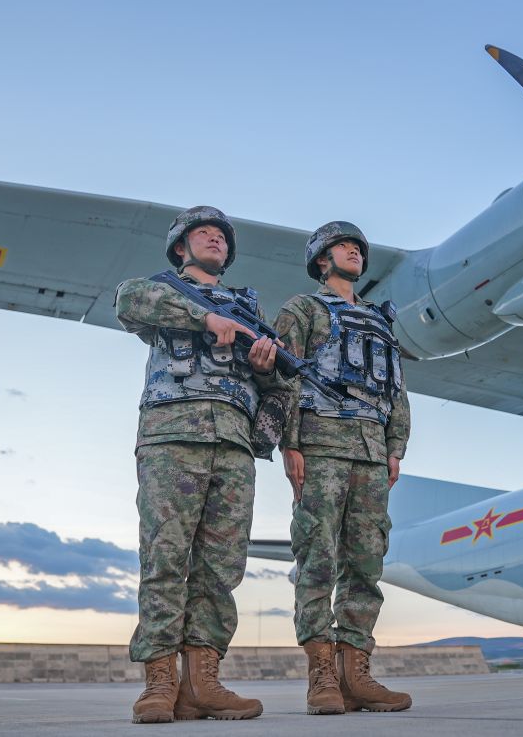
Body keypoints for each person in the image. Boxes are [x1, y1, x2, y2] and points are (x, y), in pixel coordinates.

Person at [116, 205, 283, 723]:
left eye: (221, 236)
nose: (215, 239)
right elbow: (128, 300)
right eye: (203, 233)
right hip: (172, 435)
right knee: (165, 556)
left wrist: (265, 368)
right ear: (180, 247)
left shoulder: (249, 311)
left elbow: (277, 385)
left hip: (233, 444)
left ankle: (202, 683)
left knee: (221, 568)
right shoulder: (163, 291)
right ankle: (159, 684)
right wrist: (205, 317)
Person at [273, 221, 412, 715]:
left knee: (366, 563)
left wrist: (395, 447)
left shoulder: (379, 321)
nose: (353, 251)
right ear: (321, 260)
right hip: (321, 446)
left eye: (357, 247)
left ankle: (357, 674)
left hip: (371, 454)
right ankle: (322, 675)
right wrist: (290, 443)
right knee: (317, 558)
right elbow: (284, 377)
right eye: (342, 246)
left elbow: (396, 391)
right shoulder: (302, 309)